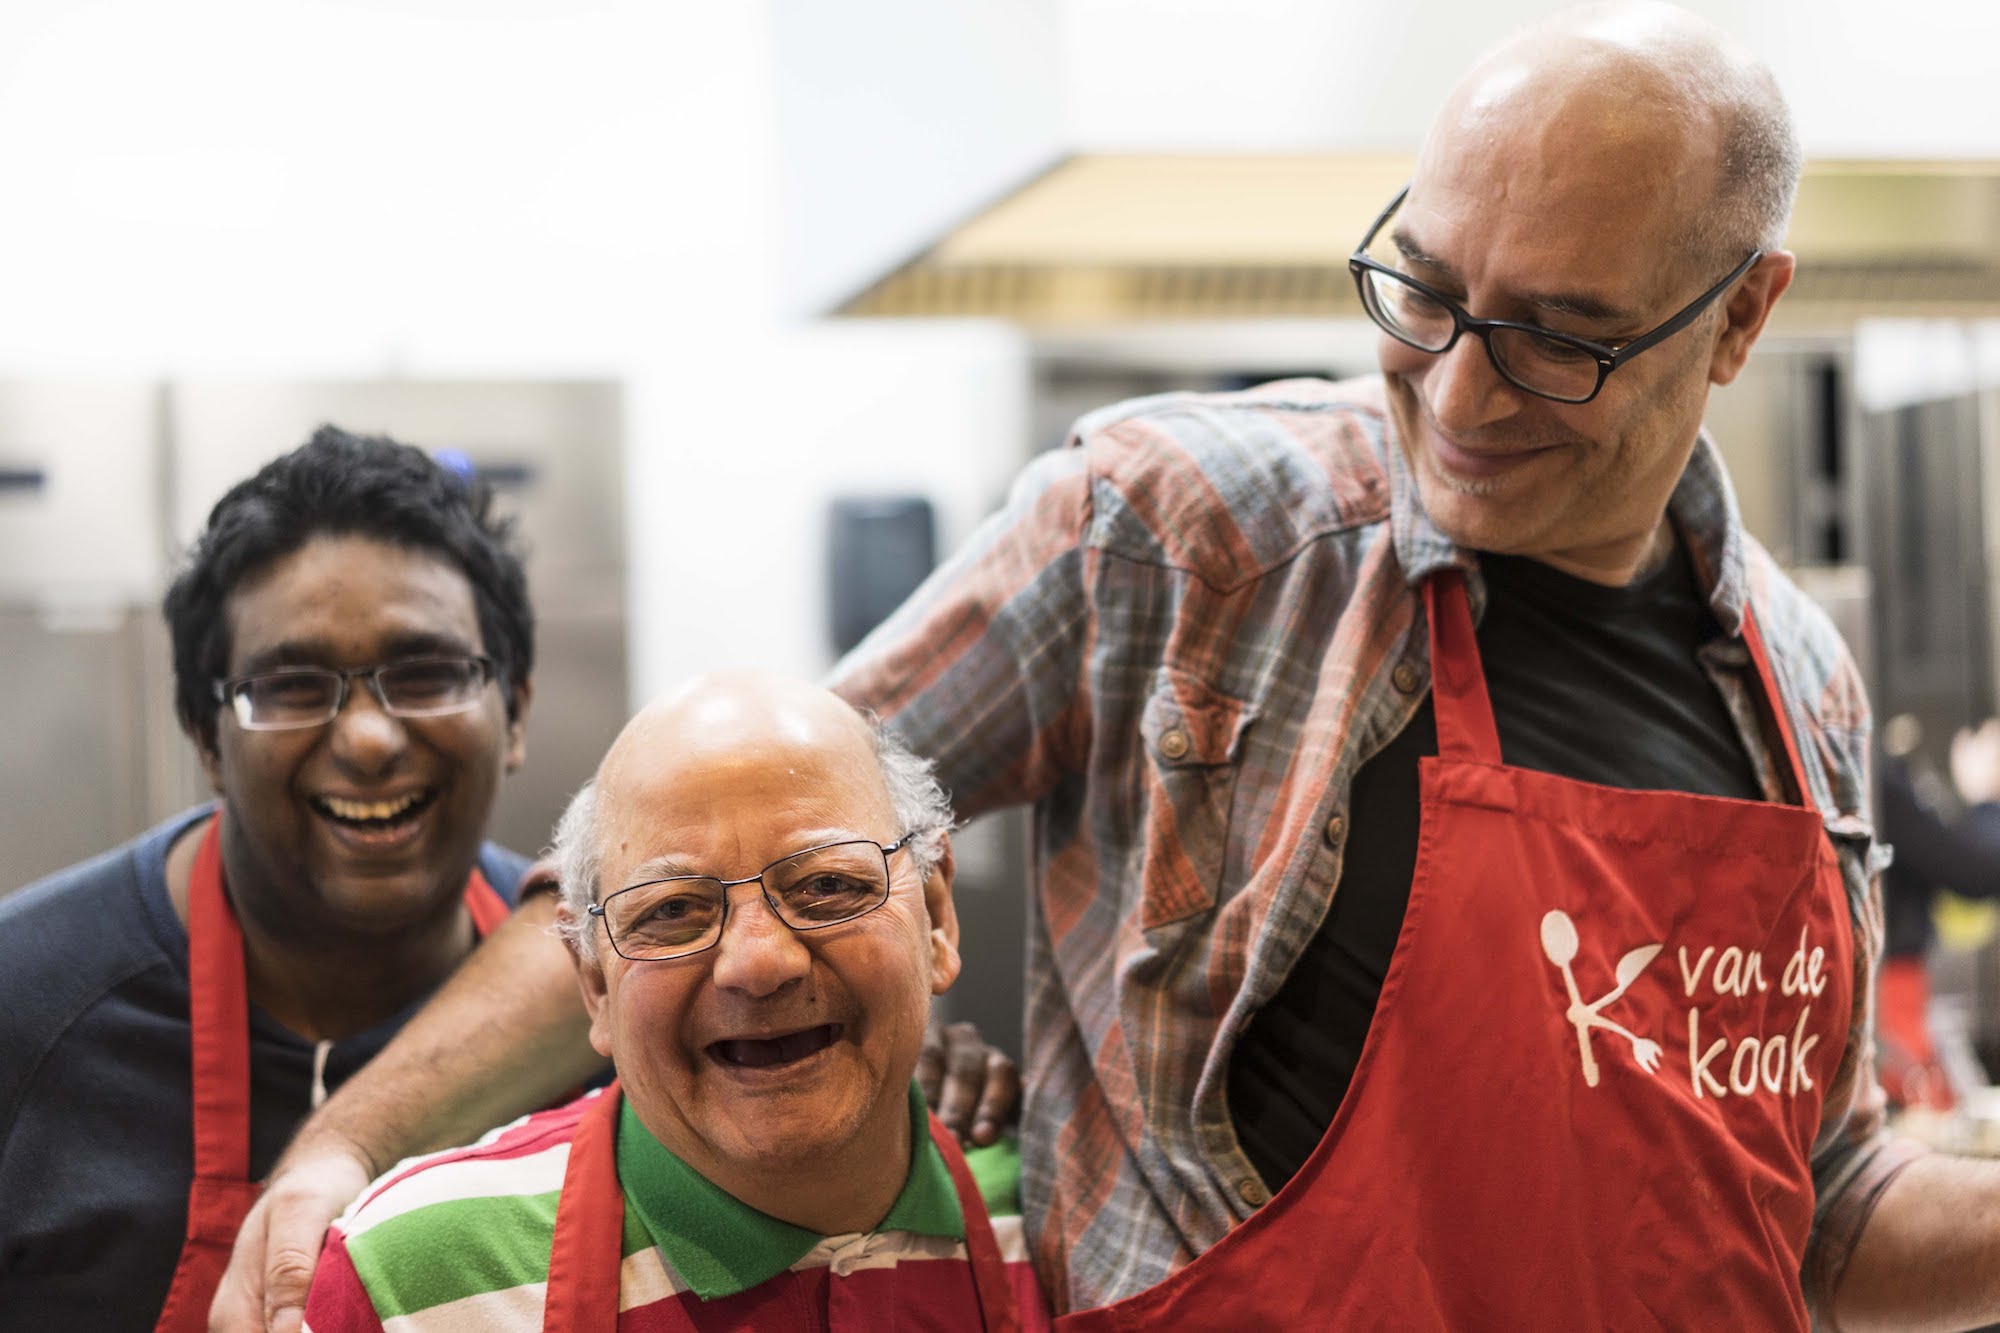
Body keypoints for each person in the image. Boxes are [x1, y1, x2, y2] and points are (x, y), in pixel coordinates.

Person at [214, 4, 2000, 1329]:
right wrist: (342, 1146)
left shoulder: (1797, 680)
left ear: (1743, 316)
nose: (1454, 395)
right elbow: (705, 858)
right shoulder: (1181, 535)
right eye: (1428, 294)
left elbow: (1820, 1199)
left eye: (1560, 342)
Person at [299, 673, 1048, 1330]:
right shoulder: (412, 1278)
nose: (759, 964)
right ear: (593, 982)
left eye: (826, 885)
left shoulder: (1056, 1222)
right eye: (671, 910)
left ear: (938, 915)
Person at [0, 428, 541, 1330]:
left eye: (427, 673)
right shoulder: (24, 1005)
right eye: (291, 685)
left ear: (515, 711)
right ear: (207, 737)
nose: (369, 738)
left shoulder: (613, 1000)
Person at [1875, 714, 2000, 1109]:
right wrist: (1985, 797)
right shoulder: (1878, 781)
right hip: (1889, 990)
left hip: (1892, 986)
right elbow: (1977, 871)